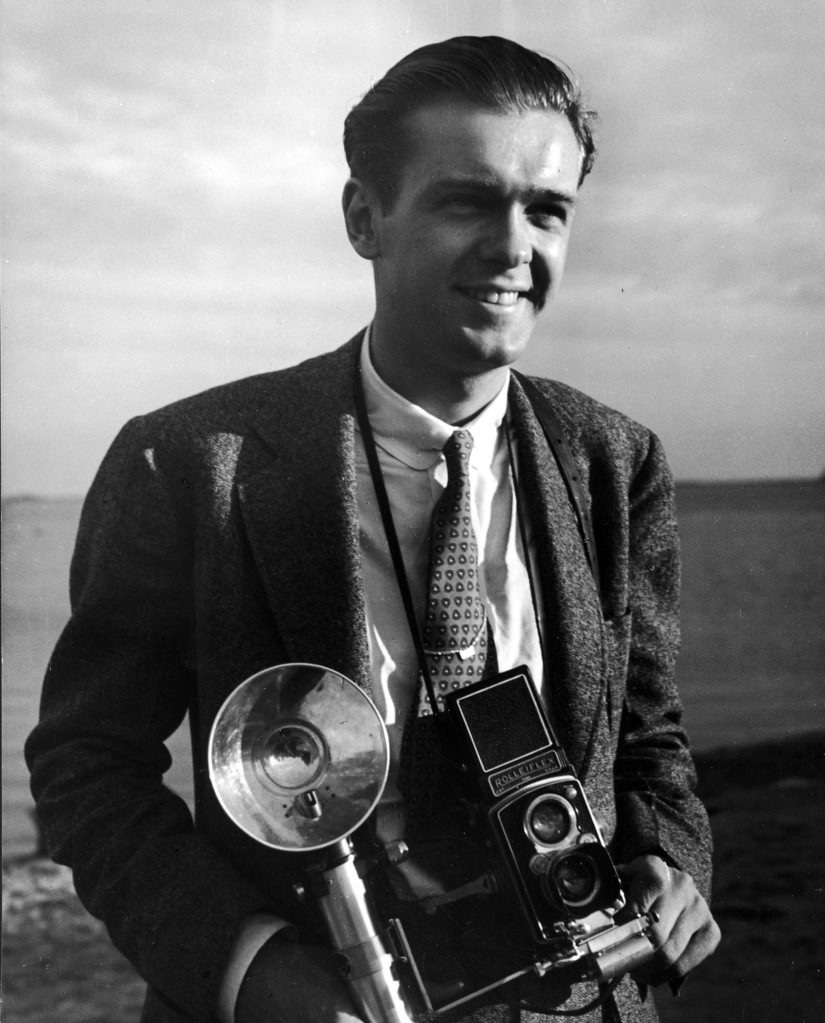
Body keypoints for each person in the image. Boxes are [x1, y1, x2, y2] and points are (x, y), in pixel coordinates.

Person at [26, 35, 720, 1023]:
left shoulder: (616, 462)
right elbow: (86, 765)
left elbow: (648, 746)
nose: (513, 247)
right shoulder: (184, 464)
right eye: (466, 200)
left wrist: (666, 860)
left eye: (547, 210)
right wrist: (252, 972)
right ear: (365, 218)